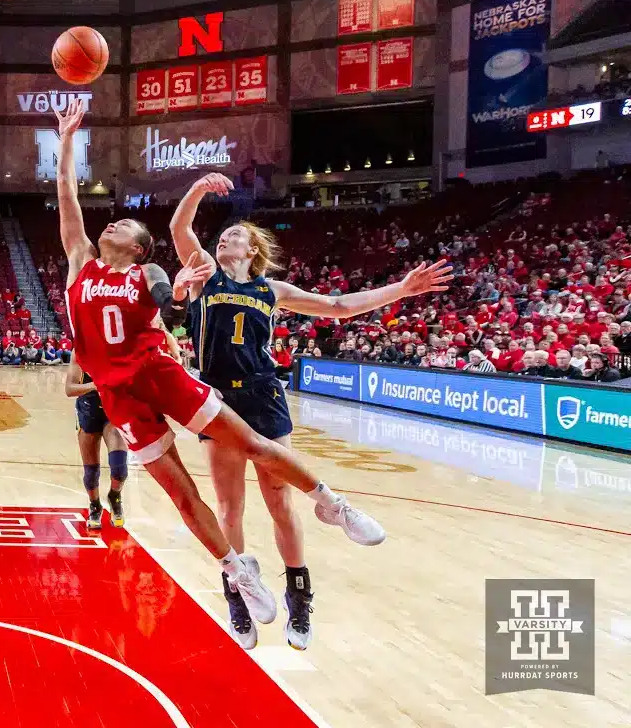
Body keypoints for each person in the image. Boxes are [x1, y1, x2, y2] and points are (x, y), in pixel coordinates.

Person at [54, 99, 387, 651]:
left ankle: (333, 502)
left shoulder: (149, 270)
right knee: (181, 495)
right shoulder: (79, 262)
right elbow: (67, 193)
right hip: (118, 395)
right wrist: (67, 140)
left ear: (137, 246)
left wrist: (182, 291)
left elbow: (175, 305)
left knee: (252, 443)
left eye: (124, 223)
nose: (108, 221)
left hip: (159, 372)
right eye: (107, 221)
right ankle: (239, 570)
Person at [169, 174, 453, 650]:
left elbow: (339, 306)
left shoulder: (272, 289)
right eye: (223, 236)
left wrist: (399, 291)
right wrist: (199, 188)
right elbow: (180, 227)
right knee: (228, 507)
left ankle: (299, 594)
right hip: (217, 397)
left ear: (252, 250)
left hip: (262, 394)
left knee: (279, 502)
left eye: (235, 235)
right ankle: (238, 592)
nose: (226, 239)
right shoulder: (203, 273)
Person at [65, 356, 128, 530]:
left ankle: (115, 496)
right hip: (88, 410)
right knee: (91, 472)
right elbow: (69, 389)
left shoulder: (118, 346)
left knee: (120, 469)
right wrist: (96, 385)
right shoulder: (80, 352)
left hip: (113, 411)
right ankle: (95, 505)